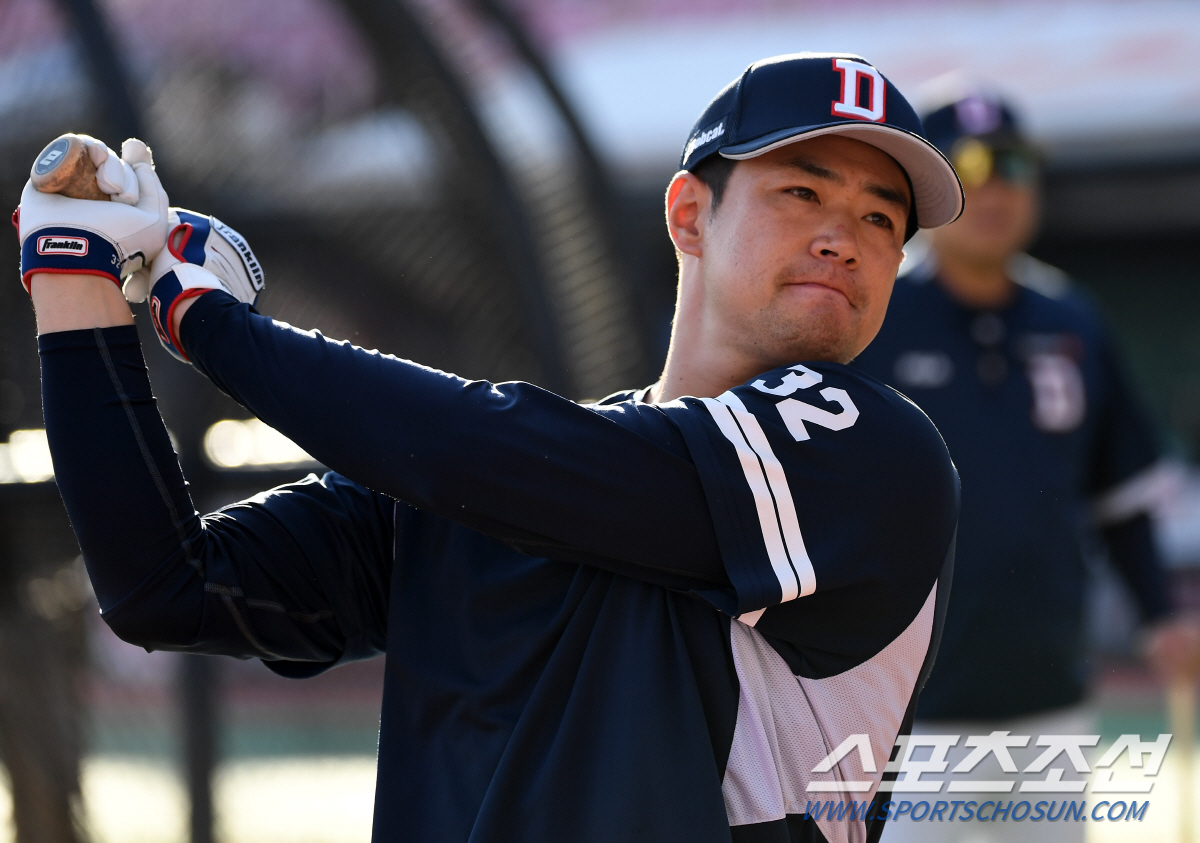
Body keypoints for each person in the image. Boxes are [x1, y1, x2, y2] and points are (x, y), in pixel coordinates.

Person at [19, 54, 965, 843]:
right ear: (689, 215)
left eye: (882, 218)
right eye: (802, 191)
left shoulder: (871, 451)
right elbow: (167, 584)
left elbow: (508, 457)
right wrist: (79, 294)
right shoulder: (505, 475)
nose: (843, 237)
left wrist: (207, 319)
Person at [851, 81, 1200, 842]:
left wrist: (1160, 614)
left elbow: (1123, 490)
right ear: (932, 188)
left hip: (1051, 699)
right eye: (972, 165)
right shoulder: (868, 317)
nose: (998, 187)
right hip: (905, 714)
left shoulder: (1072, 318)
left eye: (1015, 165)